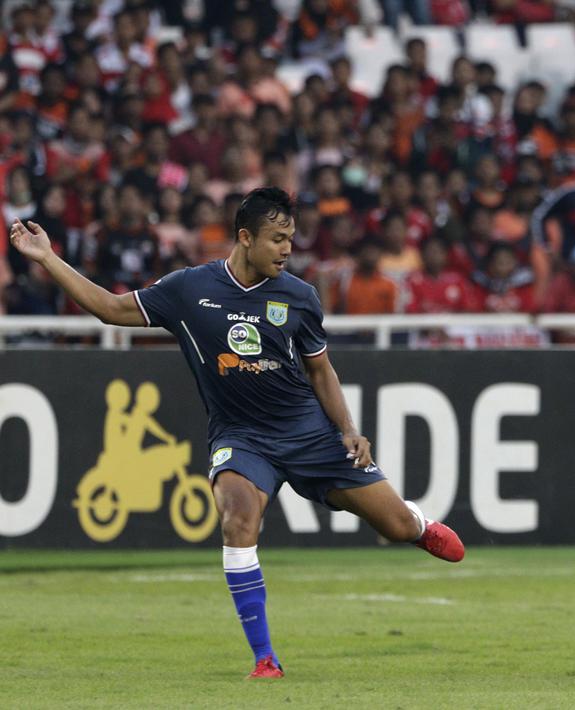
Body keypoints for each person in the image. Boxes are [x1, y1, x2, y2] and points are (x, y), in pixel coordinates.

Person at [7, 188, 465, 680]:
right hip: (242, 437)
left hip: (309, 434)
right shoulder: (188, 289)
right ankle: (265, 659)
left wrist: (349, 430)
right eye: (277, 239)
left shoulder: (300, 297)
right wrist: (47, 258)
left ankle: (417, 524)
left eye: (291, 238)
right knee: (238, 521)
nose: (287, 249)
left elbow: (320, 371)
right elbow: (111, 309)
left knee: (393, 526)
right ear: (245, 238)